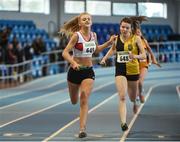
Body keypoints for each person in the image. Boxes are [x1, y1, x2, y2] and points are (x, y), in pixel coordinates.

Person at [61, 12, 116, 138]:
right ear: (80, 23)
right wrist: (73, 62)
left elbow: (96, 50)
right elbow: (65, 53)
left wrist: (108, 43)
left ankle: (82, 129)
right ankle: (81, 125)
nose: (87, 20)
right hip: (74, 72)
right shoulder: (76, 36)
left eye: (88, 19)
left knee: (84, 98)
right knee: (74, 101)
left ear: (91, 21)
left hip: (88, 71)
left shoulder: (94, 35)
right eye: (84, 19)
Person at [100, 17, 146, 131]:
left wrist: (134, 56)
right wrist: (104, 59)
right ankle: (123, 123)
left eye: (126, 27)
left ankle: (135, 100)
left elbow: (144, 55)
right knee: (122, 96)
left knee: (131, 97)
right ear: (120, 27)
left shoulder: (136, 39)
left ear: (130, 29)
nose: (124, 29)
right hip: (120, 70)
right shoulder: (116, 39)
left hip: (133, 70)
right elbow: (112, 50)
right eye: (122, 27)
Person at [130, 16, 161, 103]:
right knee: (134, 83)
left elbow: (150, 52)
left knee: (140, 82)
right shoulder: (132, 41)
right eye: (137, 32)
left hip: (144, 65)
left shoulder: (145, 41)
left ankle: (140, 94)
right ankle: (136, 94)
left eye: (140, 32)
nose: (139, 33)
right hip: (134, 65)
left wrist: (154, 60)